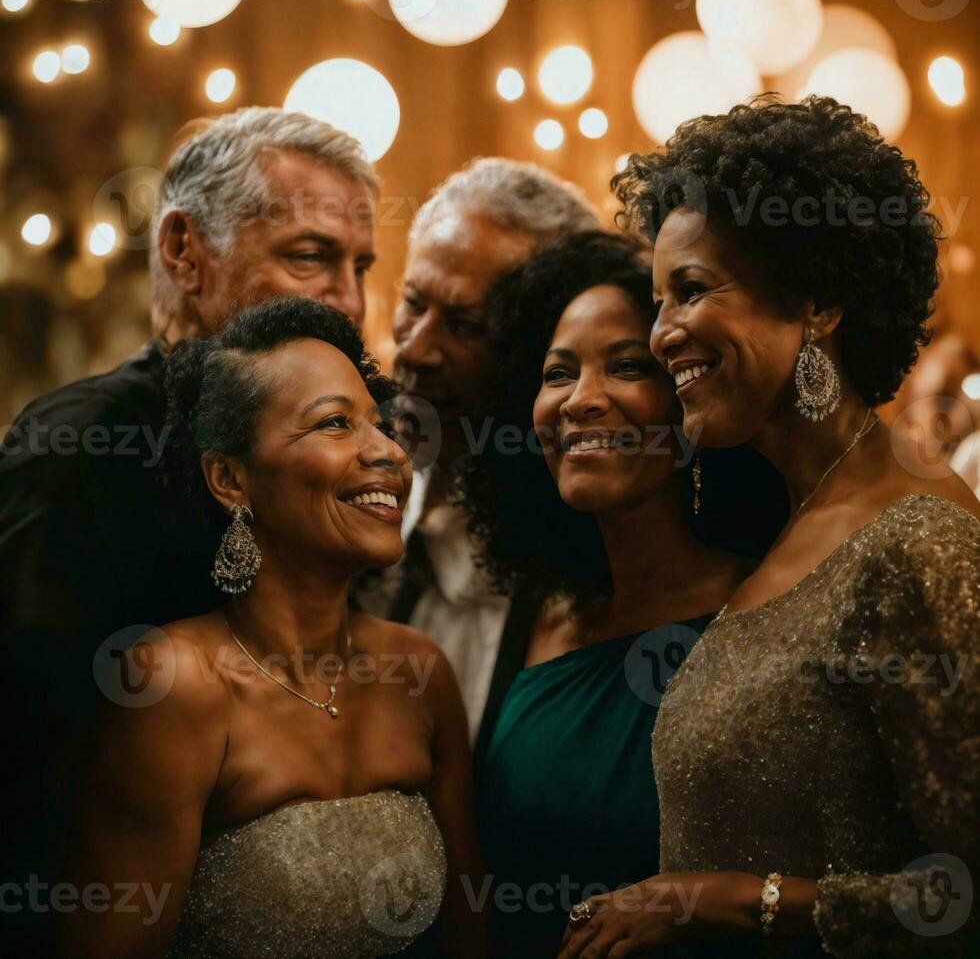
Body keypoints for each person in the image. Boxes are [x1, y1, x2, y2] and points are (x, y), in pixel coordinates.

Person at [557, 96, 980, 957]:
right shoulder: (793, 521)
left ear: (818, 301)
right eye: (657, 299)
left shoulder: (919, 542)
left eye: (693, 290)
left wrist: (727, 901)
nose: (664, 332)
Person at [0, 107, 379, 954]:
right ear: (183, 251)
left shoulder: (322, 456)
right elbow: (28, 756)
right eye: (311, 256)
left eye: (362, 266)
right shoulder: (85, 446)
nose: (349, 301)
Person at [57, 297, 486, 959]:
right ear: (230, 478)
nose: (387, 453)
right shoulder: (174, 685)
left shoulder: (419, 671)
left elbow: (470, 936)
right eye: (336, 424)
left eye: (382, 424)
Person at [453, 230, 786, 957]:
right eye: (557, 373)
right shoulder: (538, 614)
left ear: (692, 397)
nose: (582, 401)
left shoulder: (765, 611)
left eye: (629, 367)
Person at [360, 157, 599, 755]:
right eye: (413, 302)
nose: (415, 349)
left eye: (464, 326)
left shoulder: (582, 565)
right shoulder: (347, 499)